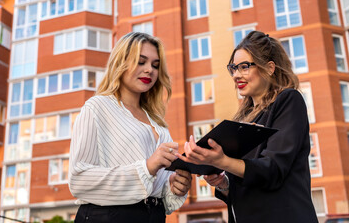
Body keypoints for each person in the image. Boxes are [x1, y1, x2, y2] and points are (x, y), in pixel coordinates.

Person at [177, 31, 318, 223]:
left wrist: (222, 161)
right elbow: (248, 184)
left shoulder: (289, 101)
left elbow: (273, 169)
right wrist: (224, 184)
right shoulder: (242, 118)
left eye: (244, 67)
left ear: (269, 68)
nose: (236, 75)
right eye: (233, 68)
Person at [69, 32, 192, 223]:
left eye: (155, 65)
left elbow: (155, 185)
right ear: (121, 63)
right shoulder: (97, 107)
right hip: (108, 217)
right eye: (140, 61)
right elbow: (79, 180)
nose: (149, 70)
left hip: (154, 216)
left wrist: (173, 184)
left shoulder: (158, 123)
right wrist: (147, 167)